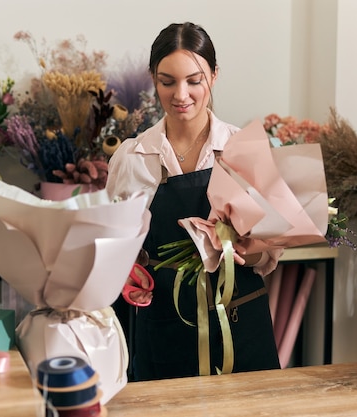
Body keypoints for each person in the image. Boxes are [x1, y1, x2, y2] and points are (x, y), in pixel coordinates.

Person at [106, 22, 281, 381]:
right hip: (165, 330)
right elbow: (115, 250)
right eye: (167, 81)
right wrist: (129, 271)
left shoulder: (241, 149)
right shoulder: (132, 157)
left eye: (194, 80)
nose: (180, 94)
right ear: (153, 79)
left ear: (214, 76)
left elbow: (271, 256)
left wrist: (251, 250)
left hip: (240, 323)